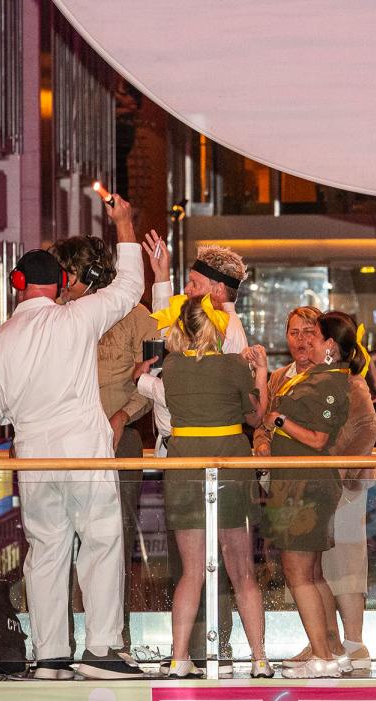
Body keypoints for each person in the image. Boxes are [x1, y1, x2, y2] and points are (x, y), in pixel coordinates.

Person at [0, 194, 145, 680]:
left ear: (19, 284)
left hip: (33, 457)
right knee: (101, 541)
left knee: (46, 550)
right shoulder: (75, 318)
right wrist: (124, 224)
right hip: (83, 451)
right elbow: (130, 285)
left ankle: (50, 655)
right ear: (60, 284)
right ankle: (101, 649)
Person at [137, 233, 248, 675]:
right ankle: (193, 652)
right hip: (190, 454)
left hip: (200, 455)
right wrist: (161, 277)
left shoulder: (227, 333)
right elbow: (168, 325)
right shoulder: (207, 325)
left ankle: (211, 650)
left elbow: (193, 393)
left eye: (194, 284)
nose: (187, 291)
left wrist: (145, 383)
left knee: (210, 564)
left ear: (217, 291)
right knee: (200, 565)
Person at [151, 293, 272, 678]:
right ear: (214, 329)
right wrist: (261, 374)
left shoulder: (171, 366)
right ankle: (259, 658)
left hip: (184, 466)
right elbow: (256, 416)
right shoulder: (233, 365)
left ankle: (179, 657)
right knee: (242, 570)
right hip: (229, 464)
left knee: (191, 571)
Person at [256, 307, 376, 673]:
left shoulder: (332, 380)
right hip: (297, 482)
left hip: (313, 483)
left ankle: (330, 653)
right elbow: (264, 420)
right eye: (296, 332)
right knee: (312, 573)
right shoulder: (297, 377)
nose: (304, 340)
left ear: (329, 344)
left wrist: (280, 421)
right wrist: (266, 434)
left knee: (307, 571)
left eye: (312, 333)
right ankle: (329, 649)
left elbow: (322, 437)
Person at [51, 235, 158, 652]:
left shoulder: (135, 314)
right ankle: (58, 644)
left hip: (118, 439)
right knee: (59, 544)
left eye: (67, 274)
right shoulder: (55, 314)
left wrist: (123, 415)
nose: (62, 283)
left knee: (115, 541)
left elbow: (158, 373)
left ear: (88, 273)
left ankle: (114, 641)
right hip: (63, 441)